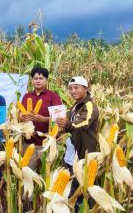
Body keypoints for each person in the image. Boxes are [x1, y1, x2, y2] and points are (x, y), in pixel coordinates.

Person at [56, 76, 99, 211]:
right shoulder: (75, 105)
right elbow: (66, 120)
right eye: (70, 88)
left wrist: (68, 124)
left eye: (76, 88)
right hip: (72, 152)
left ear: (85, 89)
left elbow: (84, 122)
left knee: (80, 189)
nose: (72, 91)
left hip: (82, 154)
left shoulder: (89, 106)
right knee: (70, 188)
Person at [20, 67, 62, 170]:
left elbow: (59, 118)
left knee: (45, 173)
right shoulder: (26, 96)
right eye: (35, 78)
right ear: (32, 80)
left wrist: (42, 119)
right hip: (29, 143)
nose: (38, 81)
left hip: (46, 143)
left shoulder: (53, 97)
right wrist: (22, 117)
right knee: (29, 172)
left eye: (41, 78)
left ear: (46, 80)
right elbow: (20, 114)